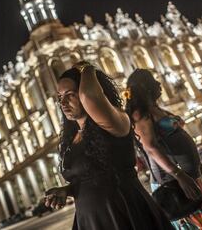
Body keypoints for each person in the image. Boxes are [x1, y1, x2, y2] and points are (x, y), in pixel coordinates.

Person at [45, 62, 172, 230]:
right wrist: (66, 190)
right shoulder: (73, 136)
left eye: (70, 94)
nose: (63, 102)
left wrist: (87, 68)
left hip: (124, 213)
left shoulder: (114, 120)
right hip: (91, 221)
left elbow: (89, 96)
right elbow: (89, 179)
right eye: (60, 97)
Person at [125, 69, 202, 230]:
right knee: (196, 226)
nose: (158, 84)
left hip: (189, 177)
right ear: (145, 86)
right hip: (173, 182)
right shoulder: (139, 114)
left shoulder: (154, 108)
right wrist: (179, 175)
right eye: (153, 80)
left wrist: (197, 166)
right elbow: (151, 147)